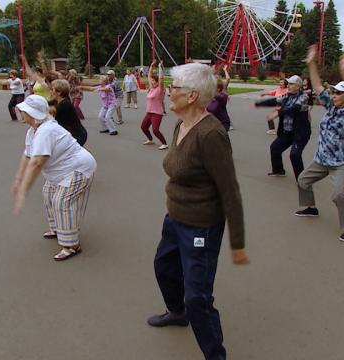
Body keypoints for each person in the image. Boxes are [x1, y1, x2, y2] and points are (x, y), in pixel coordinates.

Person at [147, 62, 249, 360]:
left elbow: (230, 190)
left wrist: (238, 243)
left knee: (198, 297)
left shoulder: (211, 135)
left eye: (174, 87)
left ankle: (215, 355)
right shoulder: (180, 124)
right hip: (175, 218)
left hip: (201, 227)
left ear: (191, 95)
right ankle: (177, 313)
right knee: (164, 268)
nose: (168, 91)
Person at [11, 95, 97, 261]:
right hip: (60, 171)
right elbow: (27, 156)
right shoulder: (33, 131)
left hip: (78, 168)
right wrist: (17, 179)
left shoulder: (46, 131)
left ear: (32, 113)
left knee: (62, 202)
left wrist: (23, 191)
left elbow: (36, 164)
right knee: (48, 195)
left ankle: (72, 245)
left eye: (23, 110)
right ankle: (59, 228)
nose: (20, 112)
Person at [295, 45, 344, 242]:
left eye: (339, 93)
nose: (335, 95)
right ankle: (311, 208)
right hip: (322, 159)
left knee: (338, 195)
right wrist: (312, 63)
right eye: (334, 93)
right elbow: (317, 85)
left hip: (340, 162)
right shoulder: (330, 106)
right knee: (303, 181)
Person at [255, 75, 310, 180]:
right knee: (275, 148)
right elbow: (275, 101)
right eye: (288, 83)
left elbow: (294, 109)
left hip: (300, 133)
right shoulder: (287, 96)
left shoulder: (303, 97)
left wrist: (278, 113)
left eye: (291, 84)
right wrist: (258, 104)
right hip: (287, 132)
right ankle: (278, 170)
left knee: (294, 155)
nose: (288, 85)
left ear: (298, 86)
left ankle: (302, 180)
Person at [49, 79, 88, 146]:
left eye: (53, 89)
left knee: (71, 153)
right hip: (69, 133)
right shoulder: (56, 101)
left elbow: (51, 109)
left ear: (59, 92)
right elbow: (44, 103)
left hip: (77, 134)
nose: (51, 92)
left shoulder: (65, 103)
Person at [141, 61, 168, 150]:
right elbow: (149, 76)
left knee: (155, 130)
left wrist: (160, 67)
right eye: (151, 81)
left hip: (157, 113)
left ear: (157, 82)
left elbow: (161, 79)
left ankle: (164, 143)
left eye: (153, 81)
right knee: (143, 127)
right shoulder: (151, 88)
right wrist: (151, 66)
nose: (151, 82)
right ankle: (150, 139)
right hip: (149, 112)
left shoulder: (160, 89)